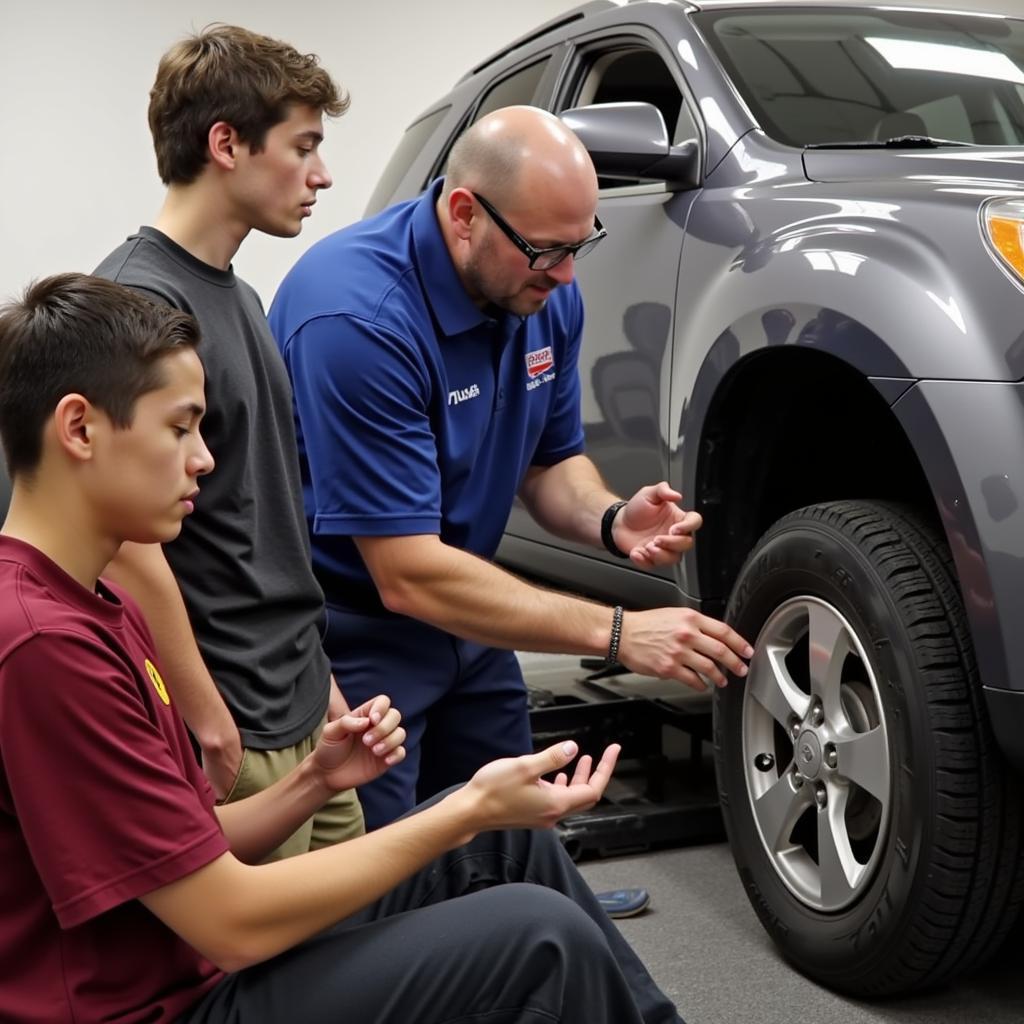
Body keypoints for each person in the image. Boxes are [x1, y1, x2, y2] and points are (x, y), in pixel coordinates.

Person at [0, 272, 687, 1024]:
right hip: (161, 1007)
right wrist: (464, 813)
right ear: (79, 428)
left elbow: (186, 843)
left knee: (508, 849)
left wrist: (317, 782)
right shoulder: (42, 646)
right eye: (180, 428)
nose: (203, 458)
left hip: (196, 970)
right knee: (536, 933)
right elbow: (228, 921)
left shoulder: (99, 602)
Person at [268, 105, 755, 833]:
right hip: (357, 633)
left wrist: (611, 518)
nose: (565, 274)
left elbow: (551, 466)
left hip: (469, 616)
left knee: (516, 841)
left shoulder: (542, 292)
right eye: (545, 251)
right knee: (378, 885)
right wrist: (622, 634)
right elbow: (404, 573)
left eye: (578, 246)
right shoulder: (357, 318)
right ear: (463, 214)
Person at [93, 24, 363, 857]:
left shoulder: (243, 298)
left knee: (355, 957)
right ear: (226, 143)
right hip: (234, 724)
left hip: (299, 703)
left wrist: (322, 686)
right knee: (272, 980)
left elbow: (262, 513)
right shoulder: (137, 302)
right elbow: (125, 544)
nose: (322, 174)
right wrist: (204, 711)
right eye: (304, 146)